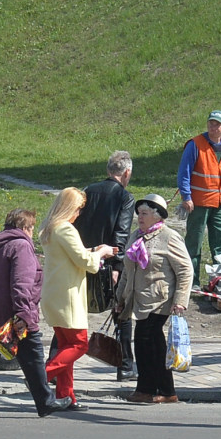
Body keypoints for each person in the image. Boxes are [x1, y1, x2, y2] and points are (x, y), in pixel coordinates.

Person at [0, 209, 71, 418]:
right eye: (31, 228)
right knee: (34, 357)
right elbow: (21, 283)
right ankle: (45, 402)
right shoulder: (21, 246)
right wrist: (23, 313)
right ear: (25, 227)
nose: (32, 233)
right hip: (14, 315)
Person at [41, 187, 115, 411]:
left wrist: (94, 249)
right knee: (79, 344)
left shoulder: (51, 229)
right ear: (70, 208)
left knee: (66, 346)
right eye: (79, 209)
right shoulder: (65, 229)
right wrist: (101, 253)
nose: (80, 214)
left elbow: (73, 254)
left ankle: (66, 396)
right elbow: (86, 262)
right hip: (67, 296)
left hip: (55, 295)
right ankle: (42, 376)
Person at [114, 194, 193, 404]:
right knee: (151, 344)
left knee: (145, 340)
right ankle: (163, 390)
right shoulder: (136, 236)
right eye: (139, 213)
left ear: (157, 216)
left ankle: (149, 389)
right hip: (138, 299)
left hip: (160, 300)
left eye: (145, 213)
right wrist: (120, 297)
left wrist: (180, 300)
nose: (140, 217)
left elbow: (185, 270)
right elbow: (127, 271)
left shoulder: (169, 236)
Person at [75, 150, 137, 380]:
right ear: (127, 172)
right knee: (121, 313)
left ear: (108, 170)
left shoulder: (88, 191)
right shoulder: (124, 197)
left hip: (81, 258)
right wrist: (118, 267)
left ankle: (56, 362)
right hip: (107, 262)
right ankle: (126, 365)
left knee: (75, 313)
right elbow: (121, 236)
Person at [178, 110, 221, 287]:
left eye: (217, 124)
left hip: (220, 202)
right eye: (211, 123)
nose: (213, 126)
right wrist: (186, 197)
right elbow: (184, 173)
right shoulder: (195, 144)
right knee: (194, 244)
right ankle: (191, 280)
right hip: (198, 204)